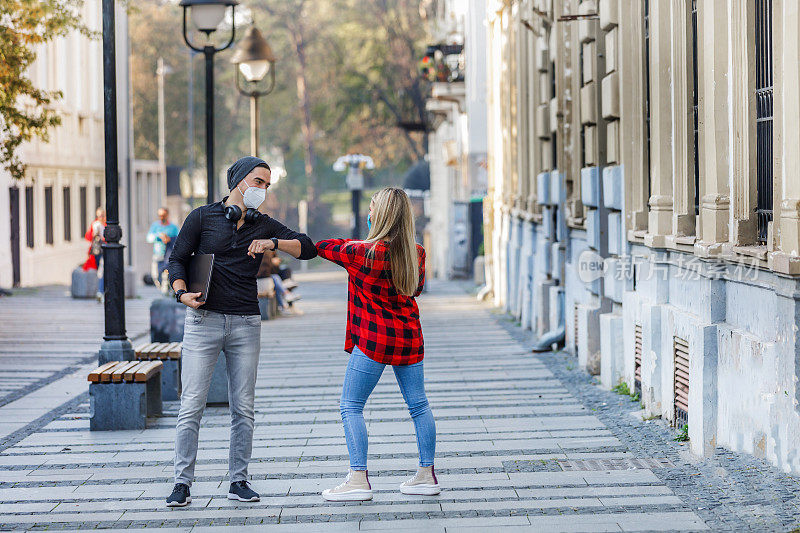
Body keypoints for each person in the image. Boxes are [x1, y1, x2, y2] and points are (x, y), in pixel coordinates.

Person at [166, 156, 317, 507]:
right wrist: (180, 291)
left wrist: (273, 243)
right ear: (237, 180)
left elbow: (307, 247)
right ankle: (181, 483)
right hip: (203, 322)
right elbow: (176, 258)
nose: (262, 189)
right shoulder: (202, 217)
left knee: (243, 408)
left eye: (267, 184)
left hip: (246, 324)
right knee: (191, 406)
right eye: (257, 181)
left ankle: (239, 480)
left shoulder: (264, 224)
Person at [316, 187, 438, 502]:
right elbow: (417, 288)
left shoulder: (361, 253)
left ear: (378, 215)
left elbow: (324, 246)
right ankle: (427, 475)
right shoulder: (417, 252)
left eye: (372, 208)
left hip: (373, 341)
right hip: (409, 338)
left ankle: (358, 478)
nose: (368, 213)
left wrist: (357, 242)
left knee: (351, 405)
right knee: (419, 405)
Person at [146, 207, 179, 292]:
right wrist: (159, 236)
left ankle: (168, 290)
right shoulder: (155, 226)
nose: (161, 217)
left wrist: (170, 239)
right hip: (158, 253)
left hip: (169, 254)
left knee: (168, 274)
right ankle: (161, 289)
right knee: (156, 275)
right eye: (160, 215)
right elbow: (149, 238)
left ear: (167, 215)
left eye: (163, 215)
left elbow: (178, 240)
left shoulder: (173, 227)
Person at [84, 207, 106, 300]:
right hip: (98, 251)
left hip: (105, 250)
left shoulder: (105, 225)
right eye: (99, 216)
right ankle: (100, 291)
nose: (100, 217)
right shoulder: (96, 224)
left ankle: (101, 292)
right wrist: (95, 234)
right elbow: (89, 237)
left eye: (102, 215)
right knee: (100, 271)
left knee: (102, 270)